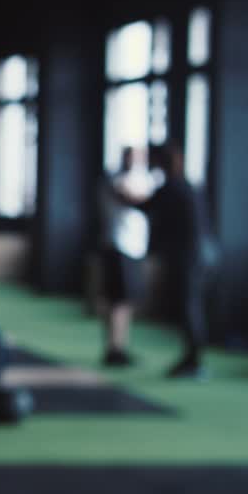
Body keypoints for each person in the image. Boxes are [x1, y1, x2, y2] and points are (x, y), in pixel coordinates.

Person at [144, 144, 215, 379]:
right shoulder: (186, 187)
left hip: (187, 258)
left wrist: (117, 195)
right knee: (190, 306)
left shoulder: (173, 188)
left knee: (188, 307)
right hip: (196, 256)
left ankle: (194, 361)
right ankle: (191, 358)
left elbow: (146, 206)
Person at [97, 145, 161, 367]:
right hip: (119, 246)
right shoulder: (115, 179)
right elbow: (134, 199)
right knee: (118, 299)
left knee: (125, 299)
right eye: (132, 156)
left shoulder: (141, 178)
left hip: (133, 247)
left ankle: (120, 346)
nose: (135, 160)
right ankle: (114, 348)